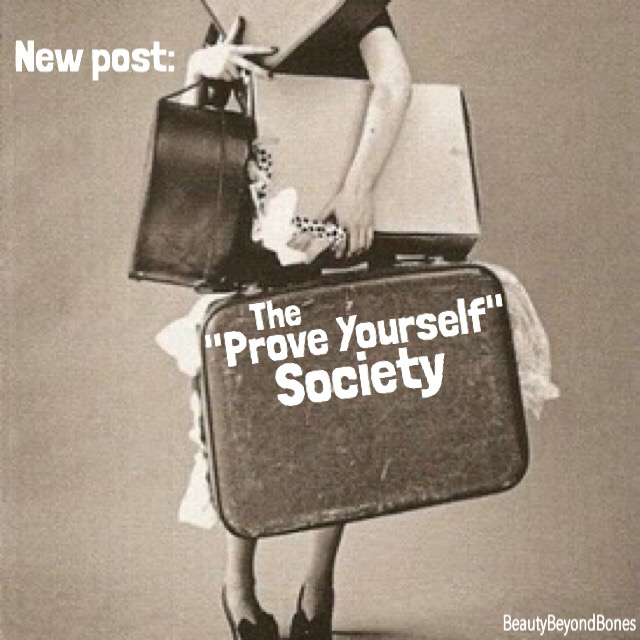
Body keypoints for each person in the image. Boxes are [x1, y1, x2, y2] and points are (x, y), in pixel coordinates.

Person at [161, 8, 413, 640]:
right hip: (255, 239)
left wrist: (358, 189)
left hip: (335, 231)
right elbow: (193, 130)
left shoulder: (351, 9)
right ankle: (239, 589)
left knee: (339, 411)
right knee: (244, 417)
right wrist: (201, 69)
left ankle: (317, 589)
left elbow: (395, 82)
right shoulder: (242, 12)